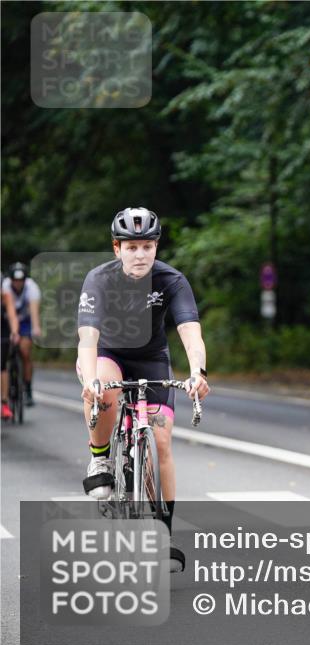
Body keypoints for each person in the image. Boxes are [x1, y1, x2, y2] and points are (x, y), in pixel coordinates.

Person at [77, 206, 210, 573]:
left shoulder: (172, 280)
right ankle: (101, 455)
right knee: (103, 391)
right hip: (108, 354)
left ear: (156, 247)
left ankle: (163, 537)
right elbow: (88, 338)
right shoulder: (99, 279)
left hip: (151, 360)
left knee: (162, 442)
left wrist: (197, 371)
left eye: (147, 247)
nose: (140, 255)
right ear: (117, 248)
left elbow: (190, 332)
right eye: (132, 247)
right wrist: (91, 380)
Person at [2, 262, 41, 406]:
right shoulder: (5, 286)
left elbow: (34, 310)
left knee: (25, 351)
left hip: (25, 320)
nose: (18, 284)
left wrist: (36, 328)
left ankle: (28, 388)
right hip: (7, 320)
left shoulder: (32, 288)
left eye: (21, 281)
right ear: (11, 280)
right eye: (15, 281)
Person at [1, 290, 20, 420]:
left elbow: (13, 317)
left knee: (1, 365)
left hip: (3, 333)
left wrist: (14, 332)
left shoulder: (6, 297)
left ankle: (4, 402)